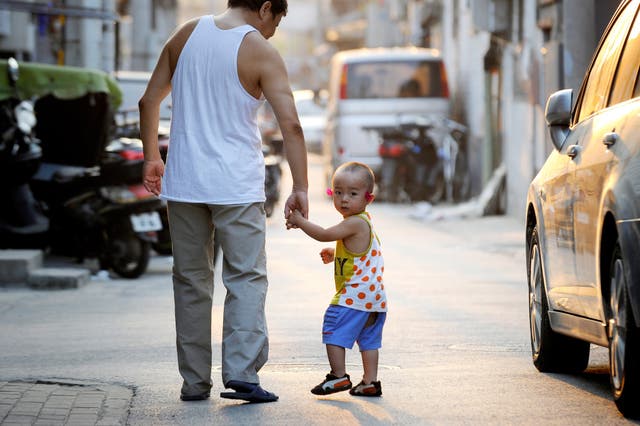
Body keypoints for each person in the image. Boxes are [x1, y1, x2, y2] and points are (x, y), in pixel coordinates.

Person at [139, 0, 309, 403]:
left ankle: (195, 382)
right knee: (246, 277)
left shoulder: (186, 34)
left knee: (191, 281)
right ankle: (242, 374)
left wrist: (151, 158)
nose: (274, 30)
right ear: (266, 8)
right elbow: (292, 125)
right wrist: (301, 186)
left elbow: (149, 101)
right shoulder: (261, 51)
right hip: (235, 186)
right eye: (278, 20)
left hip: (184, 184)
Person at [286, 162, 387, 397]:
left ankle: (338, 376)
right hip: (375, 298)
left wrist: (300, 221)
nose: (344, 199)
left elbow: (323, 234)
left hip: (354, 295)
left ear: (368, 198)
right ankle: (370, 382)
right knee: (368, 340)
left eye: (353, 194)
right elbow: (359, 254)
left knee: (332, 327)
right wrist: (336, 253)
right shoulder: (364, 223)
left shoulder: (354, 222)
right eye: (338, 192)